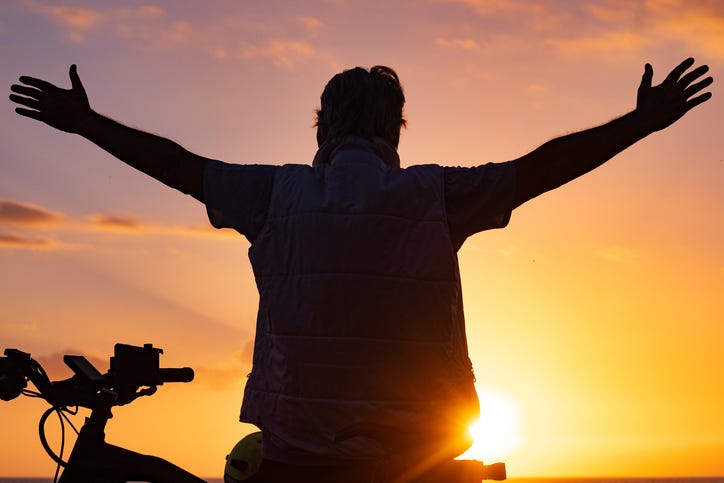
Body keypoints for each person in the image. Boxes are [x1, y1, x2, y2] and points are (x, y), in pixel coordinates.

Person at [9, 59, 713, 482]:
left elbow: (179, 167)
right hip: (420, 455)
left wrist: (90, 124)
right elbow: (542, 168)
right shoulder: (436, 193)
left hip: (297, 456)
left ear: (321, 128)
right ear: (394, 130)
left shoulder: (276, 192)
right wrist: (639, 122)